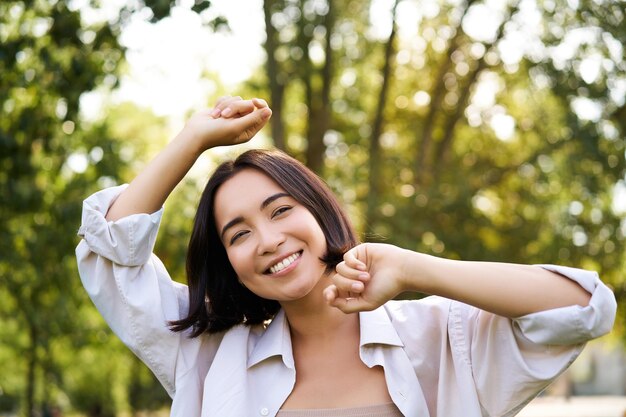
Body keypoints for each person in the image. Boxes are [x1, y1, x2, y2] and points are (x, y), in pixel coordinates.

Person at [76, 96, 616, 417]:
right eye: (238, 234)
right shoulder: (208, 357)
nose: (266, 240)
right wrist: (192, 140)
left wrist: (410, 268)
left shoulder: (436, 337)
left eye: (280, 210)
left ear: (319, 212)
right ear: (229, 263)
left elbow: (581, 308)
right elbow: (109, 256)